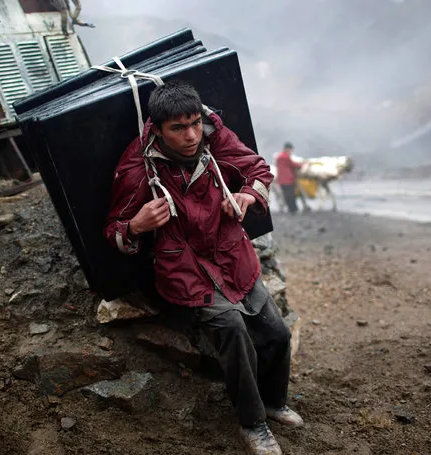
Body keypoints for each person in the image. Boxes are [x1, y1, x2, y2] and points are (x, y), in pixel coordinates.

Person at [104, 81, 303, 455]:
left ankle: (275, 403)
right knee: (232, 329)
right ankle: (253, 424)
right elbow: (113, 229)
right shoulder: (138, 164)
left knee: (277, 333)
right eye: (178, 129)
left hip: (231, 257)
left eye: (195, 123)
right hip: (185, 271)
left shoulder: (215, 138)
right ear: (158, 129)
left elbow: (259, 170)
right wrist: (137, 225)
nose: (192, 135)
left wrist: (246, 195)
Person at [274, 142, 302, 214]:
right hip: (288, 179)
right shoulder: (285, 156)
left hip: (281, 179)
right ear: (287, 149)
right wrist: (302, 165)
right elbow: (293, 164)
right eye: (291, 150)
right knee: (291, 195)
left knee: (287, 195)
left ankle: (291, 209)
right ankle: (293, 209)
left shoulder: (279, 156)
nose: (291, 151)